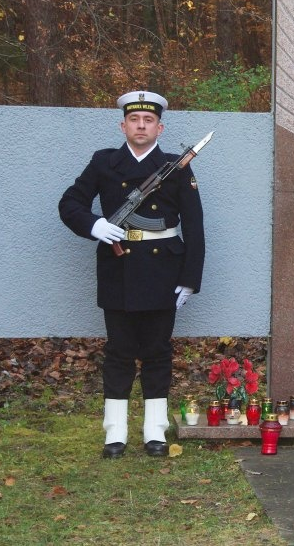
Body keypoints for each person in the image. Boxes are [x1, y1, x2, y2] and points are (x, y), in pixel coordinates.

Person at [59, 91, 204, 459]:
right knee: (120, 352)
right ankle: (115, 433)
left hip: (163, 270)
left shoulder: (176, 167)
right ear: (122, 125)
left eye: (148, 121)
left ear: (160, 127)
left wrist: (190, 277)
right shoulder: (104, 163)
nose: (141, 126)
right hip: (118, 267)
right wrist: (95, 226)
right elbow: (70, 203)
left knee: (157, 351)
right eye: (134, 120)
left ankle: (155, 431)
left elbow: (195, 225)